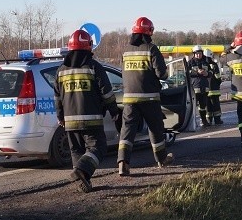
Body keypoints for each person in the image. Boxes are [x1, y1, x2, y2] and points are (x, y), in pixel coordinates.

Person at [54, 29, 121, 193]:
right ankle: (82, 171)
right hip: (91, 119)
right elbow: (107, 92)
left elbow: (57, 97)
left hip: (69, 121)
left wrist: (60, 116)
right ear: (89, 46)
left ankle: (83, 181)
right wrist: (114, 110)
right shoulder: (94, 67)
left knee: (76, 150)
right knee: (98, 148)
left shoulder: (61, 70)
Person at [117, 16, 174, 176]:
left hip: (129, 99)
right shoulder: (151, 48)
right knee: (155, 129)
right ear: (149, 32)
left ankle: (123, 162)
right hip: (149, 97)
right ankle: (161, 159)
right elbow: (162, 74)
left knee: (127, 130)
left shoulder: (126, 51)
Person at [189, 45, 212, 127]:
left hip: (204, 87)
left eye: (200, 53)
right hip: (194, 87)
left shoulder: (206, 62)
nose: (198, 55)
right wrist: (197, 73)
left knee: (203, 106)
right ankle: (192, 122)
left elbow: (211, 72)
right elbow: (188, 73)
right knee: (192, 106)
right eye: (196, 53)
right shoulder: (191, 62)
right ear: (194, 54)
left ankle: (204, 120)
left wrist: (207, 73)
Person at [203, 48, 223, 125]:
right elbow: (218, 77)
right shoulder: (214, 65)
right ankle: (217, 120)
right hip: (214, 89)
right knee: (216, 105)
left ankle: (209, 120)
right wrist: (218, 82)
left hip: (205, 89)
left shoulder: (203, 65)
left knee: (207, 106)